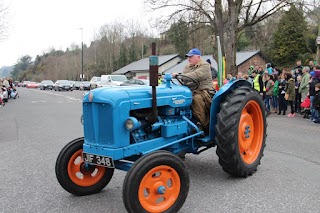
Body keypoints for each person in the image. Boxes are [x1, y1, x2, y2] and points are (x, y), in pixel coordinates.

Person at [173, 48, 213, 133]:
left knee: (196, 99)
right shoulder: (187, 67)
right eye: (188, 57)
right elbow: (183, 80)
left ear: (198, 57)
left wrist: (179, 75)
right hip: (190, 91)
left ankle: (204, 125)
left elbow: (196, 75)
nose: (188, 59)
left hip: (204, 91)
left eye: (191, 57)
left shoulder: (205, 66)